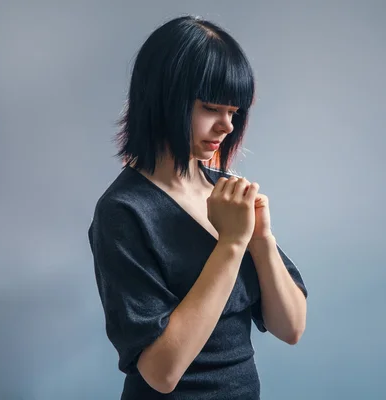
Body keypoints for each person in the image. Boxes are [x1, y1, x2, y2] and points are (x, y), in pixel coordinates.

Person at [88, 15, 308, 399]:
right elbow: (162, 372)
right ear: (163, 99)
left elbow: (290, 328)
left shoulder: (225, 193)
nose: (227, 126)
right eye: (211, 108)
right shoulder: (123, 212)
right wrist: (230, 245)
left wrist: (261, 239)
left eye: (234, 112)